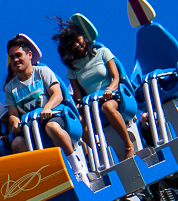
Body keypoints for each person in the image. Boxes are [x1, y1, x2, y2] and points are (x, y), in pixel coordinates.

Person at [4, 35, 89, 184]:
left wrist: (47, 107)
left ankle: (76, 168)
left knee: (52, 127)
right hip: (31, 126)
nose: (15, 60)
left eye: (18, 55)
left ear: (29, 55)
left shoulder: (42, 72)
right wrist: (15, 122)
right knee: (17, 143)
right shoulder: (10, 88)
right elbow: (13, 114)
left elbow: (57, 94)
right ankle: (39, 179)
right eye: (12, 57)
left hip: (52, 116)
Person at [51, 17, 135, 160]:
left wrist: (109, 90)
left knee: (107, 108)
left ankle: (128, 145)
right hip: (92, 103)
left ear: (84, 37)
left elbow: (116, 77)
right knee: (79, 123)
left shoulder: (102, 52)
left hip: (112, 96)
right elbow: (78, 95)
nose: (78, 45)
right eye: (73, 44)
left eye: (78, 40)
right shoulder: (72, 68)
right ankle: (101, 152)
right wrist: (78, 105)